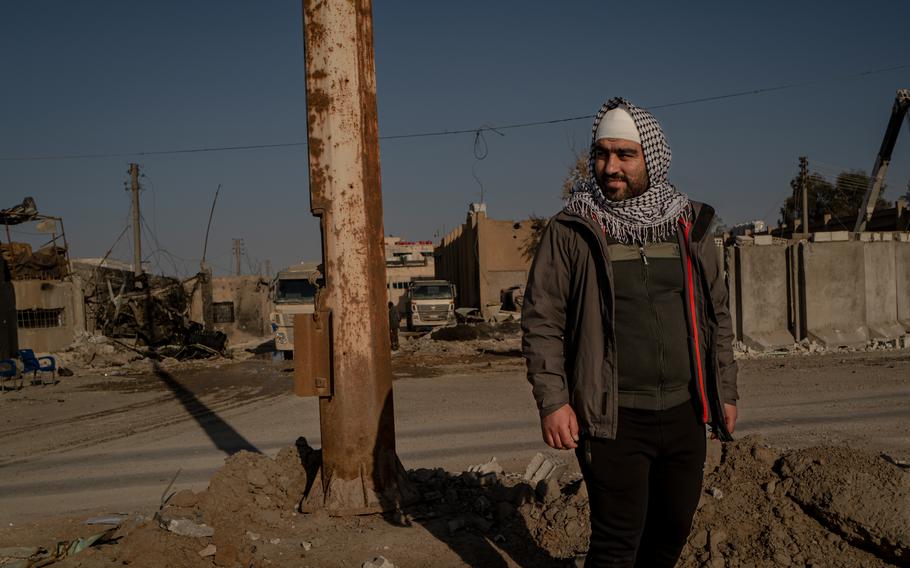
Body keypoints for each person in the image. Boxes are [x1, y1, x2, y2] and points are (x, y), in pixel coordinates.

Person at [521, 97, 738, 567]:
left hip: (685, 411)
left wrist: (727, 390)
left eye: (625, 154)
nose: (610, 166)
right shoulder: (572, 228)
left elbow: (715, 314)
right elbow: (542, 320)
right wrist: (554, 401)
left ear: (651, 157)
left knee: (671, 532)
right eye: (602, 154)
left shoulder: (687, 224)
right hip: (612, 417)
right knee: (618, 543)